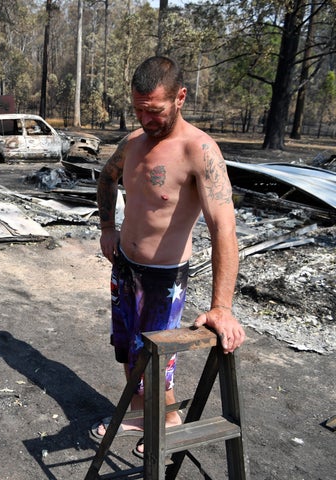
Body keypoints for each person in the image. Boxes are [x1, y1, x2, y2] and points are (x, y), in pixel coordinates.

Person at [92, 56, 246, 457]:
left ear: (180, 97)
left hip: (165, 276)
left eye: (154, 110)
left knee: (156, 357)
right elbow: (106, 178)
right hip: (125, 265)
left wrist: (221, 307)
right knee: (128, 348)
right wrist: (108, 228)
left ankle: (169, 417)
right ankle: (141, 411)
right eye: (138, 109)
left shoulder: (199, 150)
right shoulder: (132, 143)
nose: (145, 118)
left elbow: (224, 230)